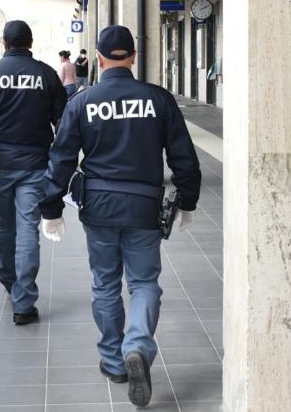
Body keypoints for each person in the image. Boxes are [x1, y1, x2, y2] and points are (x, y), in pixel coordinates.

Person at [38, 25, 201, 407]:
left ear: (97, 58)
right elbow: (183, 156)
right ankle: (138, 348)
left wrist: (51, 208)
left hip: (99, 209)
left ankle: (114, 361)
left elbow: (60, 159)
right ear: (132, 57)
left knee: (105, 284)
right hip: (144, 208)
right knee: (144, 283)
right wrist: (187, 200)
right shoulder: (157, 99)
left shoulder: (82, 102)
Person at [0, 20, 67, 325]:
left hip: (0, 165)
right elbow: (64, 124)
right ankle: (23, 300)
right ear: (30, 43)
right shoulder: (46, 75)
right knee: (28, 230)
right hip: (35, 164)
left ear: (4, 44)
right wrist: (63, 164)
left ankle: (9, 280)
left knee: (6, 227)